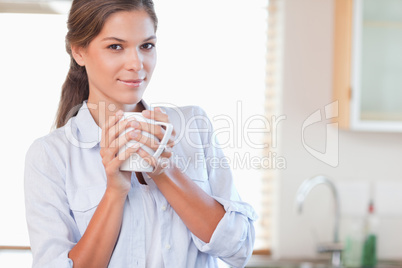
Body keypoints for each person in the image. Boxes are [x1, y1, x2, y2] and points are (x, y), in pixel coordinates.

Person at [24, 0, 257, 267]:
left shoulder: (193, 125)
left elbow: (239, 250)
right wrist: (115, 190)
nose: (136, 64)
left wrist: (164, 170)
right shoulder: (50, 155)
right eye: (115, 46)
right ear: (79, 51)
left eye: (146, 46)